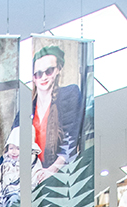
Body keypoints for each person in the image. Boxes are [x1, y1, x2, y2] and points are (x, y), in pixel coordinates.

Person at [24, 45, 83, 187]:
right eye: (38, 74)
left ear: (58, 70)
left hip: (61, 179)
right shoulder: (26, 111)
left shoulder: (69, 94)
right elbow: (12, 147)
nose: (43, 77)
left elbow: (71, 137)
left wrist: (53, 169)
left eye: (48, 71)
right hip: (33, 180)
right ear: (33, 77)